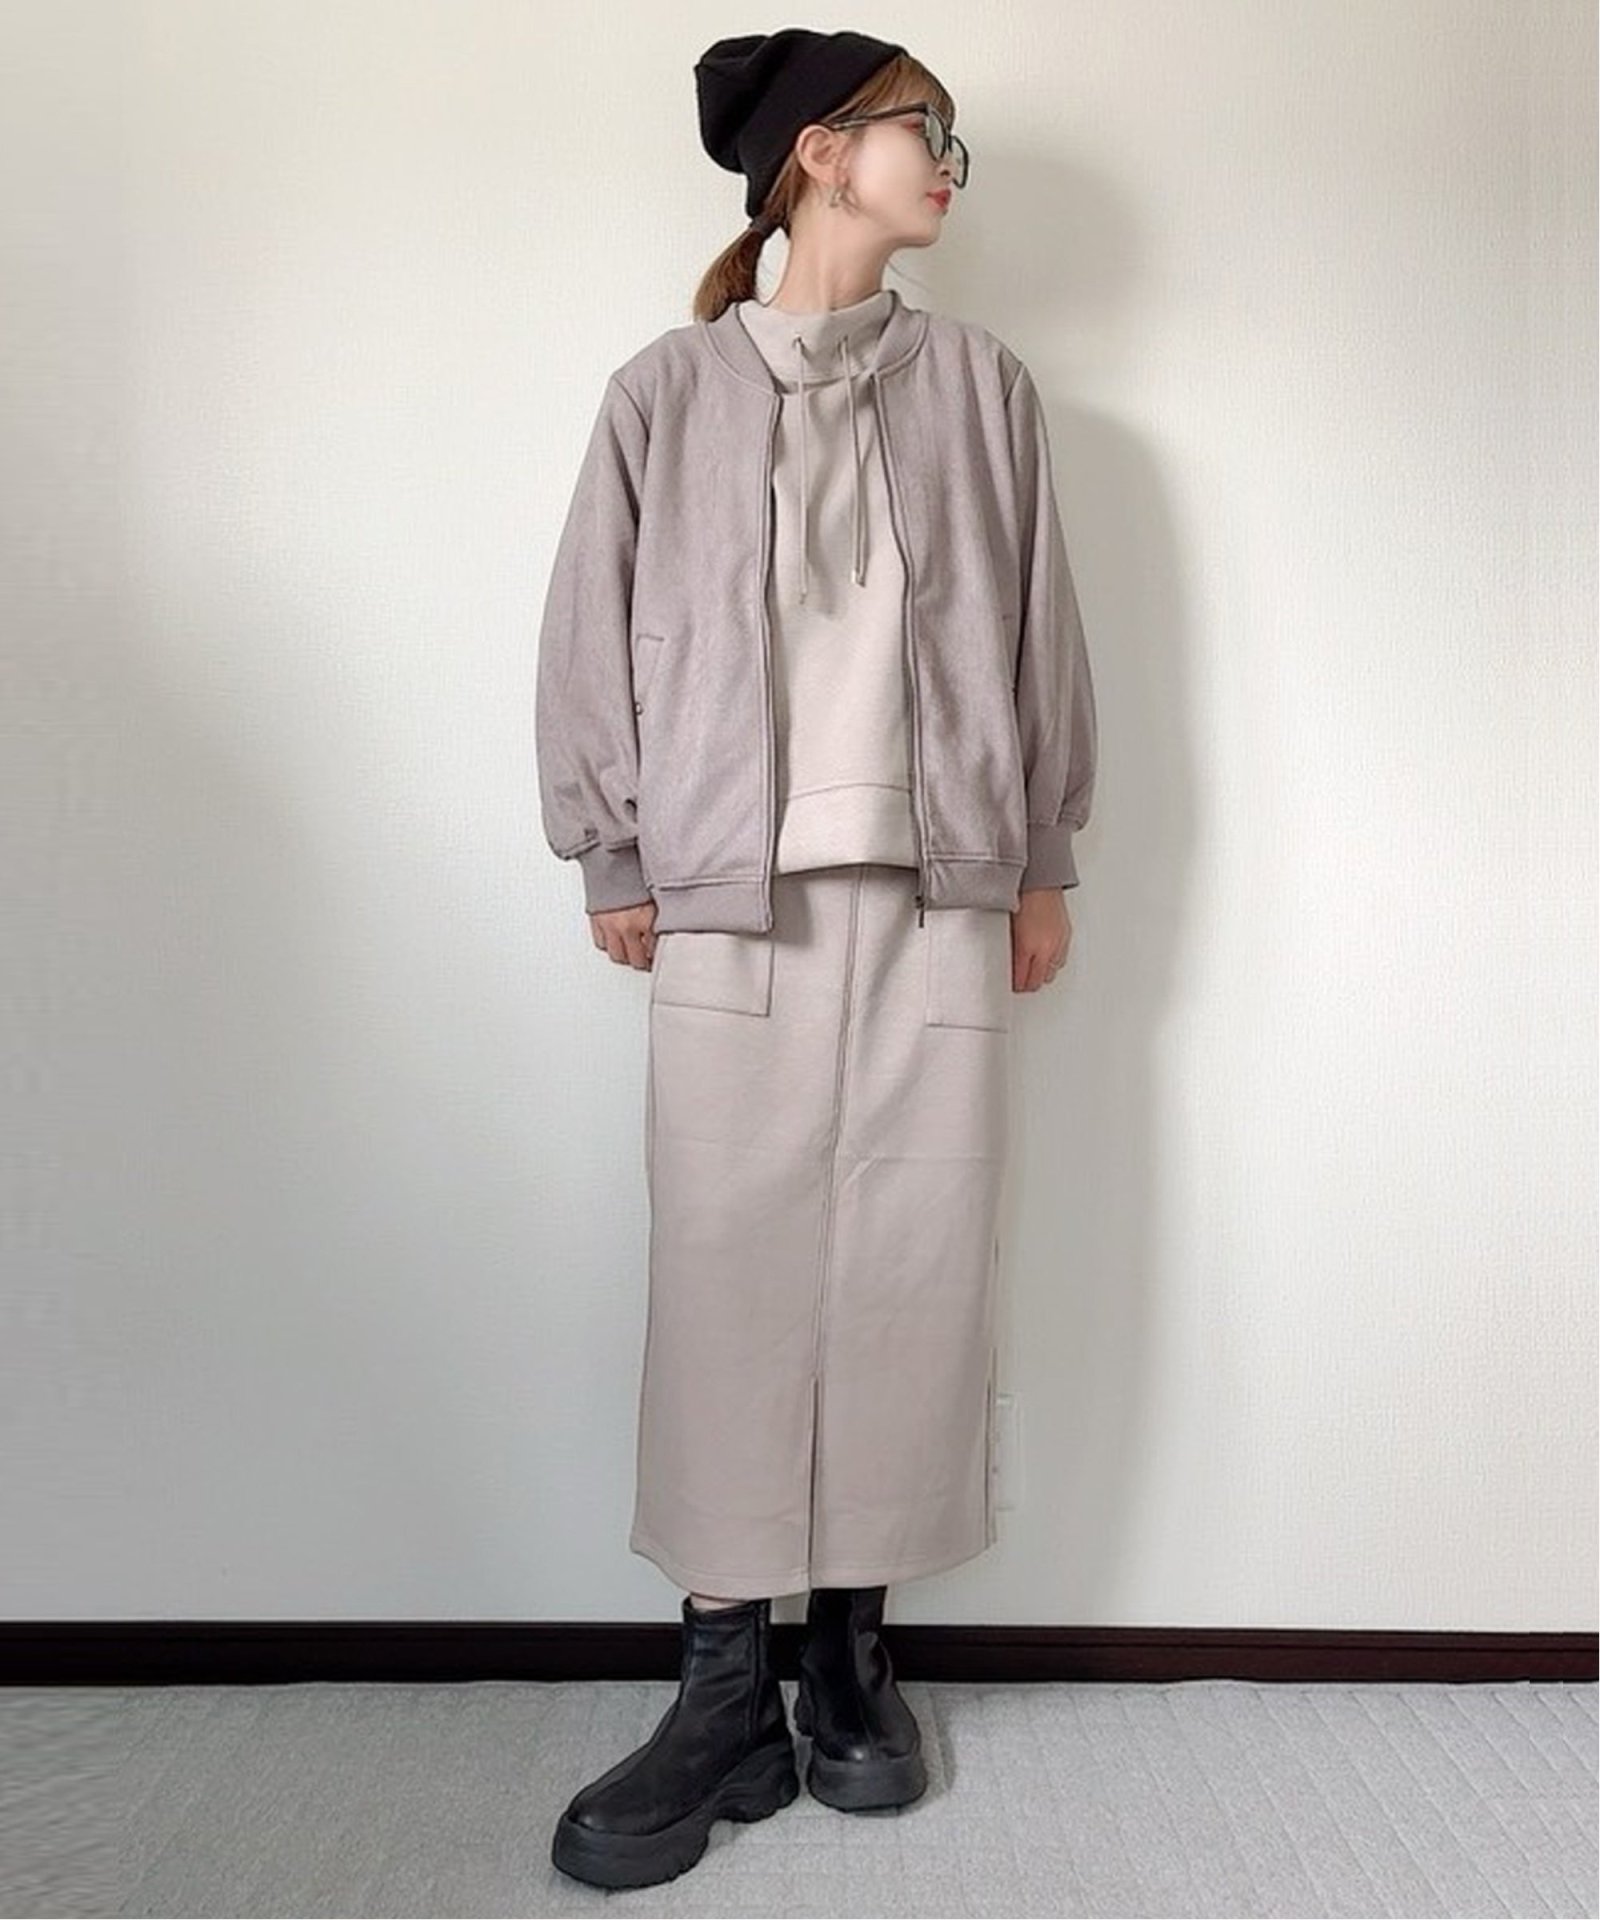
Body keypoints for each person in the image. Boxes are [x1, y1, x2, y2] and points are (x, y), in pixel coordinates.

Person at [535, 27, 1098, 1892]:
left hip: (943, 893)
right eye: (924, 131)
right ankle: (723, 1689)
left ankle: (851, 1658)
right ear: (819, 155)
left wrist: (1042, 857)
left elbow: (1039, 630)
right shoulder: (663, 393)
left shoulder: (986, 388)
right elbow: (589, 626)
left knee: (914, 1270)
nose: (950, 162)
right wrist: (614, 841)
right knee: (728, 1271)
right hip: (730, 899)